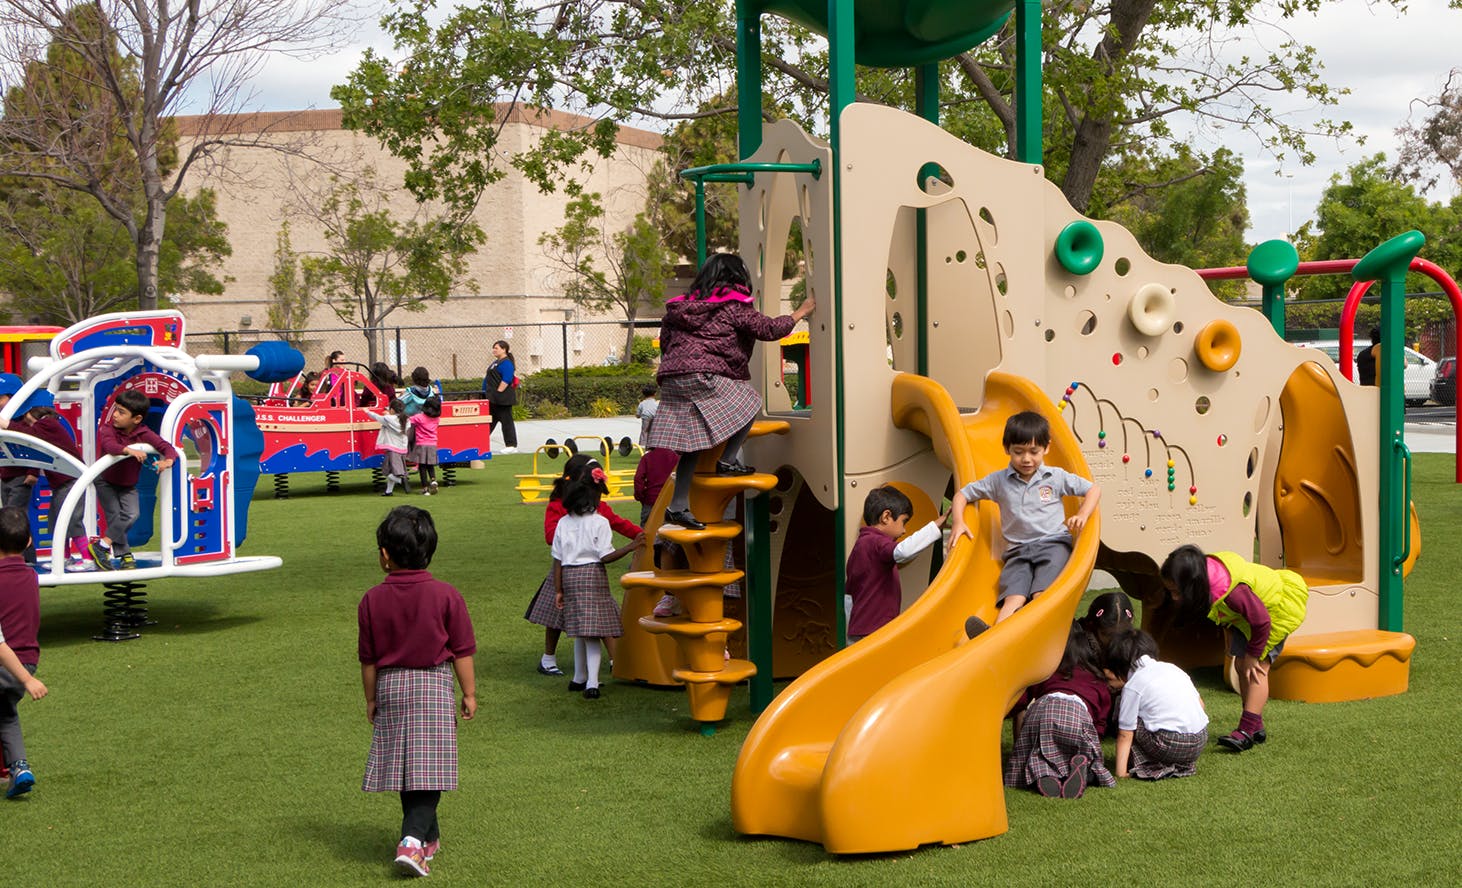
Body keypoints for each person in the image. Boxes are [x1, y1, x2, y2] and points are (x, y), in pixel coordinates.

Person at [647, 252, 815, 530]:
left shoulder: (679, 310)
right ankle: (727, 460)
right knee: (750, 401)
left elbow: (665, 342)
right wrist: (801, 311)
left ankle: (677, 506)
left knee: (692, 445)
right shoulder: (732, 305)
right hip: (705, 372)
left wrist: (680, 364)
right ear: (738, 279)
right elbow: (769, 329)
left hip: (673, 378)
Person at [358, 506, 476, 877]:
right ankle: (411, 843)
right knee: (429, 769)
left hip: (391, 686)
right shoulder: (446, 595)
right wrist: (469, 693)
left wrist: (372, 698)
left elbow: (369, 659)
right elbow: (462, 649)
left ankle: (427, 836)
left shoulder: (371, 600)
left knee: (409, 768)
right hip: (433, 685)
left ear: (385, 555)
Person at [947, 411, 1101, 623]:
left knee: (1041, 595)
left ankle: (1029, 631)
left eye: (1034, 452)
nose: (1026, 459)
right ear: (1006, 449)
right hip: (1017, 551)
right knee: (1014, 598)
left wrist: (1082, 514)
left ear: (1046, 447)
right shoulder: (998, 481)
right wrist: (958, 522)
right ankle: (995, 637)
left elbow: (1093, 490)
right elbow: (962, 494)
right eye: (1018, 452)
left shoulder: (1055, 477)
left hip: (1053, 544)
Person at [1160, 544, 1309, 752]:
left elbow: (1262, 622)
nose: (1175, 597)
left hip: (1273, 612)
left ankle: (1247, 730)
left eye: (1177, 592)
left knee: (1256, 671)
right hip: (1245, 619)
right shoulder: (1207, 580)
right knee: (1241, 667)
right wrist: (1231, 639)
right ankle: (1255, 726)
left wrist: (1253, 656)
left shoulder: (1234, 592)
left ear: (1192, 584)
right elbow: (1225, 612)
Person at [524, 455, 642, 675]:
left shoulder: (599, 508)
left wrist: (643, 534)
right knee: (555, 616)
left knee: (601, 614)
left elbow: (620, 524)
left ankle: (616, 661)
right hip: (565, 567)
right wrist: (576, 527)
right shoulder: (559, 507)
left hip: (588, 570)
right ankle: (548, 658)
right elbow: (552, 537)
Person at [552, 473, 644, 698]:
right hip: (592, 576)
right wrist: (632, 546)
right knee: (593, 632)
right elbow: (606, 556)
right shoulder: (600, 522)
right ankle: (592, 682)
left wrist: (558, 589)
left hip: (569, 576)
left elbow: (557, 559)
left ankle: (578, 677)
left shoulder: (563, 522)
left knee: (580, 632)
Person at [1004, 621, 1114, 799]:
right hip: (1077, 713)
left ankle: (1044, 775)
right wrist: (1095, 741)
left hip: (1044, 710)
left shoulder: (1046, 671)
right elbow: (1100, 722)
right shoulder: (1098, 680)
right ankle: (1082, 768)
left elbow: (1022, 702)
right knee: (1088, 756)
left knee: (1037, 751)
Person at [88, 390, 178, 570]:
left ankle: (102, 546)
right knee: (115, 516)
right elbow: (110, 446)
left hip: (127, 484)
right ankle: (125, 555)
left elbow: (166, 447)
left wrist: (168, 460)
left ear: (136, 419)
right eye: (116, 410)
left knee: (132, 515)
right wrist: (130, 450)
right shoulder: (107, 429)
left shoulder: (143, 432)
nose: (115, 415)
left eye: (121, 412)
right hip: (106, 480)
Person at [844, 486, 948, 642]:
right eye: (903, 522)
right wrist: (936, 525)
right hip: (873, 630)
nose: (904, 530)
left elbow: (849, 595)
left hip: (861, 628)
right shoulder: (875, 542)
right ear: (886, 517)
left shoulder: (862, 545)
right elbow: (903, 552)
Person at [1103, 627, 1208, 779]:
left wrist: (1120, 772)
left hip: (1169, 745)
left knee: (1125, 712)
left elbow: (1125, 734)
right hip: (1199, 742)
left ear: (1119, 664)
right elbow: (1201, 705)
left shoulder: (1134, 685)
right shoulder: (1173, 668)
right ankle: (1174, 762)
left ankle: (1142, 763)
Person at [10, 391, 93, 570]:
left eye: (28, 418)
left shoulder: (47, 423)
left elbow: (29, 434)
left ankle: (87, 558)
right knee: (56, 519)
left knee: (72, 519)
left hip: (71, 480)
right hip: (61, 482)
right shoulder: (44, 425)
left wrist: (7, 425)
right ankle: (63, 557)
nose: (27, 421)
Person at [0, 506, 45, 798]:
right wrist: (27, 678)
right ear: (29, 541)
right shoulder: (31, 578)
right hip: (27, 664)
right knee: (6, 715)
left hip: (8, 665)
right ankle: (19, 768)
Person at [365, 398, 413, 496]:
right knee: (393, 470)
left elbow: (377, 417)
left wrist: (367, 412)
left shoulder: (388, 420)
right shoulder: (406, 420)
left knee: (386, 471)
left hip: (392, 448)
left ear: (392, 410)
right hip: (402, 449)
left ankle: (401, 481)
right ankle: (388, 491)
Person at [482, 340, 519, 454]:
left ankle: (511, 445)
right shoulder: (496, 362)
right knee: (489, 421)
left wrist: (498, 392)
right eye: (493, 348)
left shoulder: (506, 363)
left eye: (496, 348)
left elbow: (506, 379)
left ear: (504, 349)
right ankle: (479, 443)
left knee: (506, 421)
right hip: (492, 398)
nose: (494, 350)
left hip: (502, 398)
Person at [409, 396, 442, 496]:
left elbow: (408, 421)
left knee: (422, 467)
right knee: (430, 465)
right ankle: (433, 480)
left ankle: (425, 489)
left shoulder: (419, 417)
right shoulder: (437, 419)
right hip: (432, 444)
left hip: (421, 444)